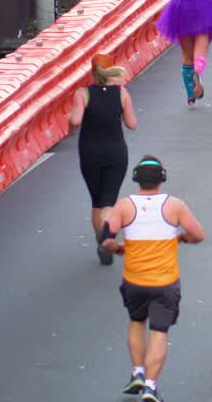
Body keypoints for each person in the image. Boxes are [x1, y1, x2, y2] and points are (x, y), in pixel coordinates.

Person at [102, 157, 205, 402]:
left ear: (137, 178)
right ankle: (150, 386)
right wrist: (181, 239)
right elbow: (198, 234)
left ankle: (137, 371)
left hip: (134, 281)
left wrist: (118, 250)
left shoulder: (124, 206)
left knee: (136, 322)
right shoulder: (175, 206)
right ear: (162, 179)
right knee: (159, 332)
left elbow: (106, 239)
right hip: (165, 283)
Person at [68, 53, 138, 265]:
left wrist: (70, 124)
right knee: (109, 201)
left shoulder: (83, 94)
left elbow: (76, 120)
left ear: (93, 72)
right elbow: (132, 124)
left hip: (89, 154)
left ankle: (101, 243)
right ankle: (107, 239)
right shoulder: (121, 93)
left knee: (96, 201)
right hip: (116, 153)